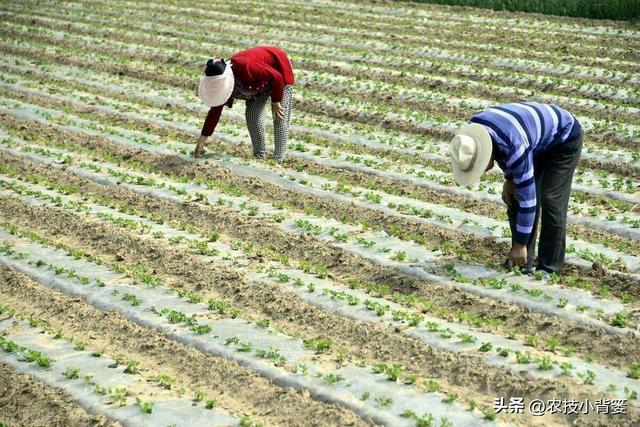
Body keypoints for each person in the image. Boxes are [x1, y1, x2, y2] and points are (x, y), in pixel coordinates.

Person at [449, 102, 583, 275]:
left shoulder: (513, 145)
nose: (483, 170)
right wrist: (510, 178)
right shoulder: (472, 134)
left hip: (564, 137)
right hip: (534, 141)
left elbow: (529, 200)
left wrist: (519, 244)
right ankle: (522, 262)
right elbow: (501, 148)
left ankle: (549, 267)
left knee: (551, 199)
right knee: (515, 195)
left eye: (480, 165)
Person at [195, 46, 295, 164]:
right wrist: (203, 138)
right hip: (258, 84)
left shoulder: (246, 67)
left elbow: (276, 76)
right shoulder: (222, 85)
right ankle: (259, 154)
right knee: (252, 115)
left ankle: (278, 159)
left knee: (279, 116)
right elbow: (215, 111)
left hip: (278, 72)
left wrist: (276, 101)